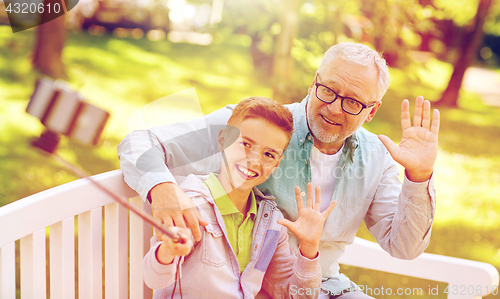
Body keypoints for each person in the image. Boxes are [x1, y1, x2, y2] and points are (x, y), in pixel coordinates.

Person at [118, 42, 440, 298]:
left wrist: (420, 176)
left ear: (371, 111)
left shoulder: (378, 158)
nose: (333, 108)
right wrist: (162, 189)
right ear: (314, 82)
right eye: (328, 90)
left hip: (325, 287)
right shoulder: (258, 127)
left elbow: (404, 246)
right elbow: (139, 142)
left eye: (353, 102)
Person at [142, 97, 337, 298]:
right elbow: (154, 279)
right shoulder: (192, 205)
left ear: (277, 164)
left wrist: (309, 248)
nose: (253, 160)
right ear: (223, 140)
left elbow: (297, 295)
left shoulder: (271, 224)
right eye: (246, 144)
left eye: (269, 155)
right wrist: (167, 251)